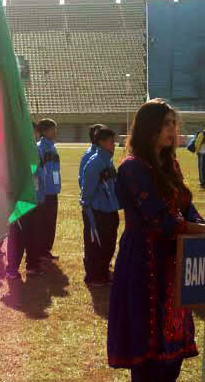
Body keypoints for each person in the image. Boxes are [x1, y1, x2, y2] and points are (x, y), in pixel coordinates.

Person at [108, 99, 205, 381]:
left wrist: (199, 224)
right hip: (145, 263)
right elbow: (161, 221)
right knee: (149, 354)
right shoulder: (132, 168)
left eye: (174, 123)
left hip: (175, 263)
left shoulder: (170, 164)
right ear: (149, 127)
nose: (172, 129)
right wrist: (201, 230)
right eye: (166, 123)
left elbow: (186, 208)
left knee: (172, 351)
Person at [6, 122, 47, 280]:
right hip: (20, 199)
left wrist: (41, 196)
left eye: (34, 132)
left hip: (35, 198)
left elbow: (40, 174)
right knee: (18, 235)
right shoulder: (14, 151)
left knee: (34, 233)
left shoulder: (36, 149)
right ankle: (12, 269)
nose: (34, 135)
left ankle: (32, 264)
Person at [80, 127, 120, 286]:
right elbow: (87, 191)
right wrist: (89, 213)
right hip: (97, 212)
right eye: (111, 142)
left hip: (110, 211)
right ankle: (93, 276)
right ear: (102, 143)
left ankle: (103, 273)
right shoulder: (94, 163)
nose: (114, 145)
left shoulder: (108, 160)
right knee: (96, 245)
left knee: (109, 243)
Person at [37, 119, 61, 260]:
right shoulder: (39, 148)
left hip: (53, 191)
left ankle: (46, 250)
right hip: (43, 193)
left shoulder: (53, 147)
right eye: (53, 129)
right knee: (42, 223)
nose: (55, 132)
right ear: (45, 131)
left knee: (50, 223)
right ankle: (39, 251)